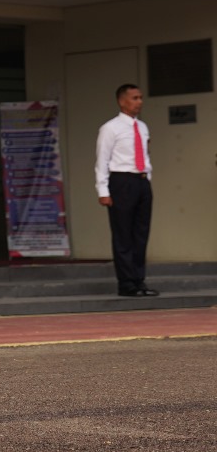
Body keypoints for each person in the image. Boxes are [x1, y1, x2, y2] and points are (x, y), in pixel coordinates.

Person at [95, 84, 157, 297]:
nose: (139, 102)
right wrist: (103, 190)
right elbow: (102, 160)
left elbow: (145, 155)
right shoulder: (110, 128)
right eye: (135, 98)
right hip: (121, 181)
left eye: (140, 98)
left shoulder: (142, 127)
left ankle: (139, 280)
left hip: (141, 181)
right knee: (123, 233)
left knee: (141, 233)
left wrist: (147, 178)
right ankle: (126, 283)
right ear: (122, 101)